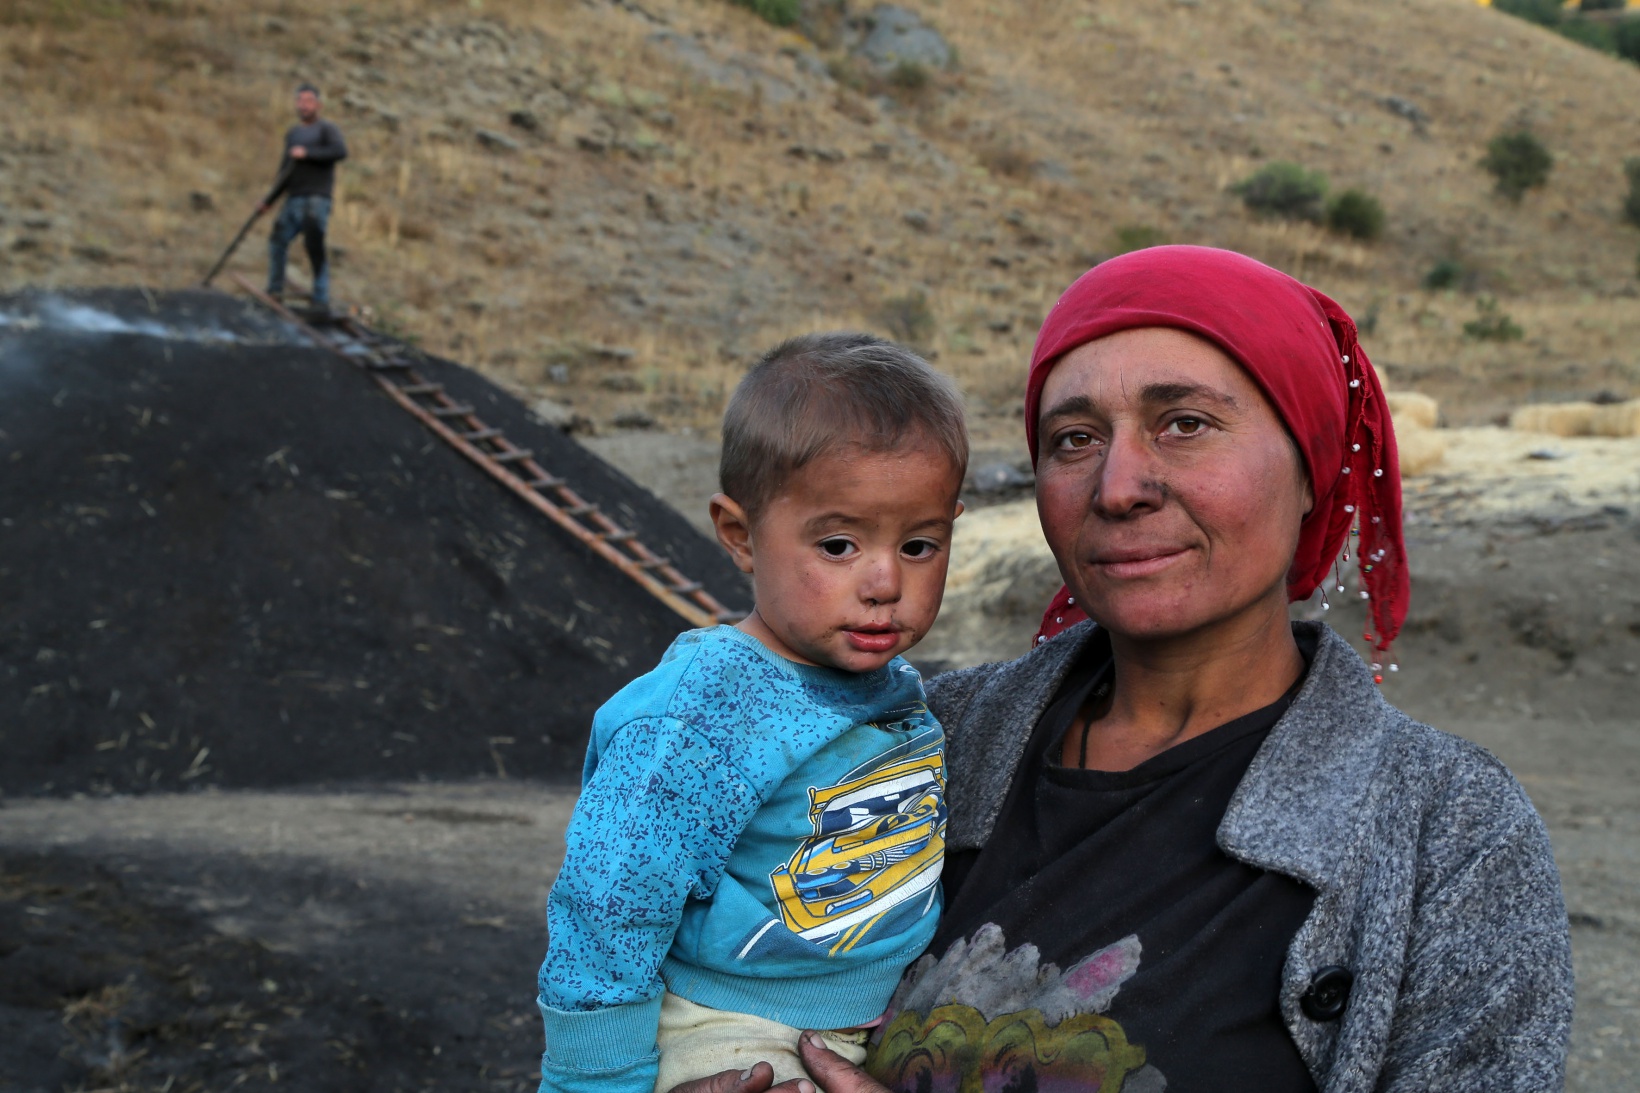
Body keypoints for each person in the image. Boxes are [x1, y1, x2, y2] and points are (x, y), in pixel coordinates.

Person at [671, 247, 1574, 1093]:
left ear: (1312, 468)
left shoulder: (1450, 833)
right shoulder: (915, 737)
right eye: (1073, 438)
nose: (1117, 486)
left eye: (1185, 424)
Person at [537, 333, 969, 1093]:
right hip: (730, 1034)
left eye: (919, 545)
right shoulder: (704, 710)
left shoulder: (891, 685)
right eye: (838, 544)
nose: (884, 582)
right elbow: (610, 899)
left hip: (859, 1026)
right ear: (740, 535)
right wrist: (594, 1081)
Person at [261, 82, 347, 311]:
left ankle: (321, 298)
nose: (303, 105)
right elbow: (285, 170)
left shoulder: (327, 129)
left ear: (318, 105)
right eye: (300, 100)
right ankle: (275, 289)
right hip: (294, 198)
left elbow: (339, 151)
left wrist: (307, 153)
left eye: (309, 101)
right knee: (277, 240)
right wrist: (268, 201)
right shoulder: (293, 134)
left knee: (314, 245)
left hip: (317, 198)